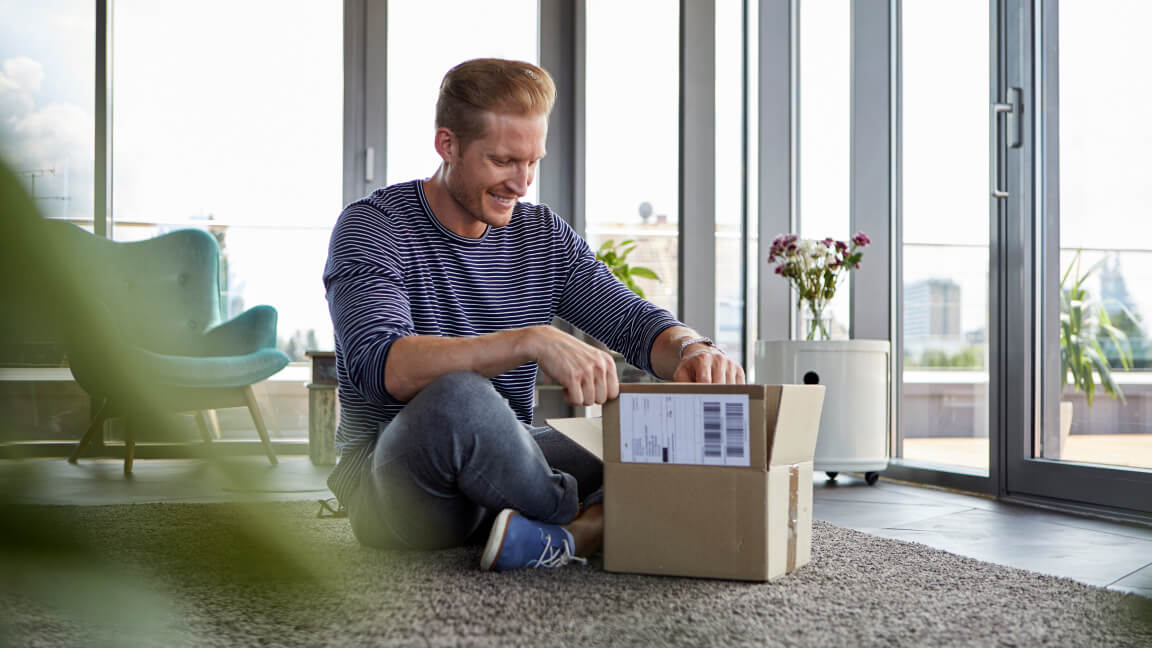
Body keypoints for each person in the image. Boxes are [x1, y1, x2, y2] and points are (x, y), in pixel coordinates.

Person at [323, 58, 744, 572]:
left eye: (532, 163)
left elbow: (633, 323)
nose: (521, 184)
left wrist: (691, 349)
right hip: (398, 490)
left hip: (511, 470)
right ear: (447, 145)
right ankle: (592, 522)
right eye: (502, 161)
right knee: (459, 396)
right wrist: (530, 340)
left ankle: (554, 529)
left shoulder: (541, 235)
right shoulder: (373, 227)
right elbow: (382, 368)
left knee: (669, 426)